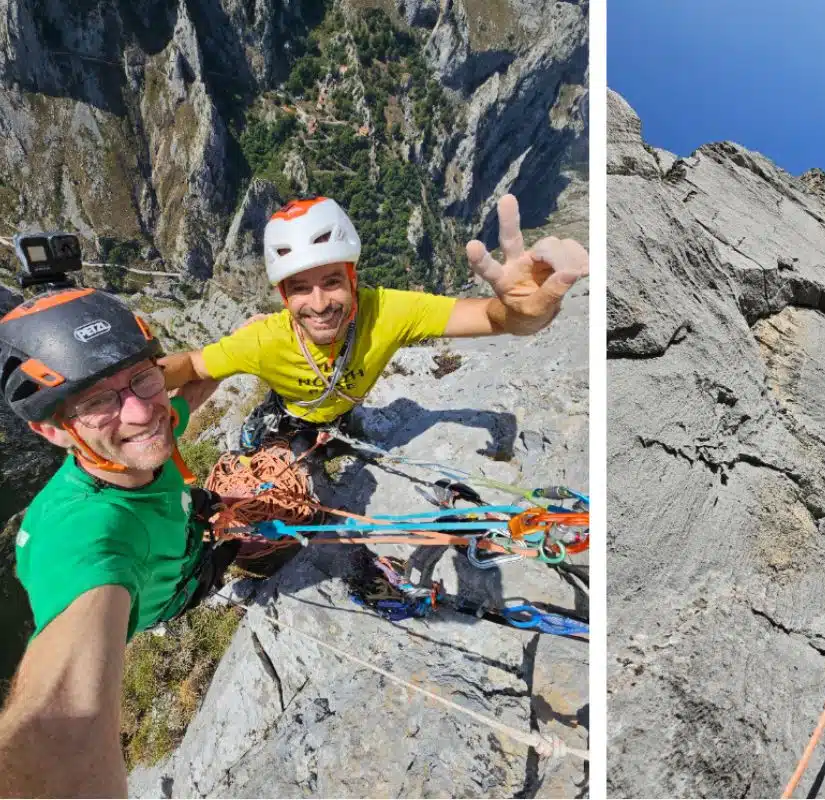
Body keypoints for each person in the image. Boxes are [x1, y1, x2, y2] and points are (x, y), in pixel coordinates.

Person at [0, 288, 229, 797]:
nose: (141, 413)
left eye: (143, 378)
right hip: (179, 590)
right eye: (98, 400)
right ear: (52, 430)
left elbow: (185, 395)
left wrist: (246, 345)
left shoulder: (135, 438)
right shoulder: (87, 535)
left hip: (185, 539)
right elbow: (59, 721)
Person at [160, 193, 589, 458]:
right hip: (290, 415)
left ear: (354, 279)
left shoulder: (387, 311)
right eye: (301, 290)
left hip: (345, 413)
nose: (320, 304)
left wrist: (522, 313)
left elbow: (486, 317)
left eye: (332, 282)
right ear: (283, 297)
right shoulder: (261, 340)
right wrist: (130, 379)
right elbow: (195, 367)